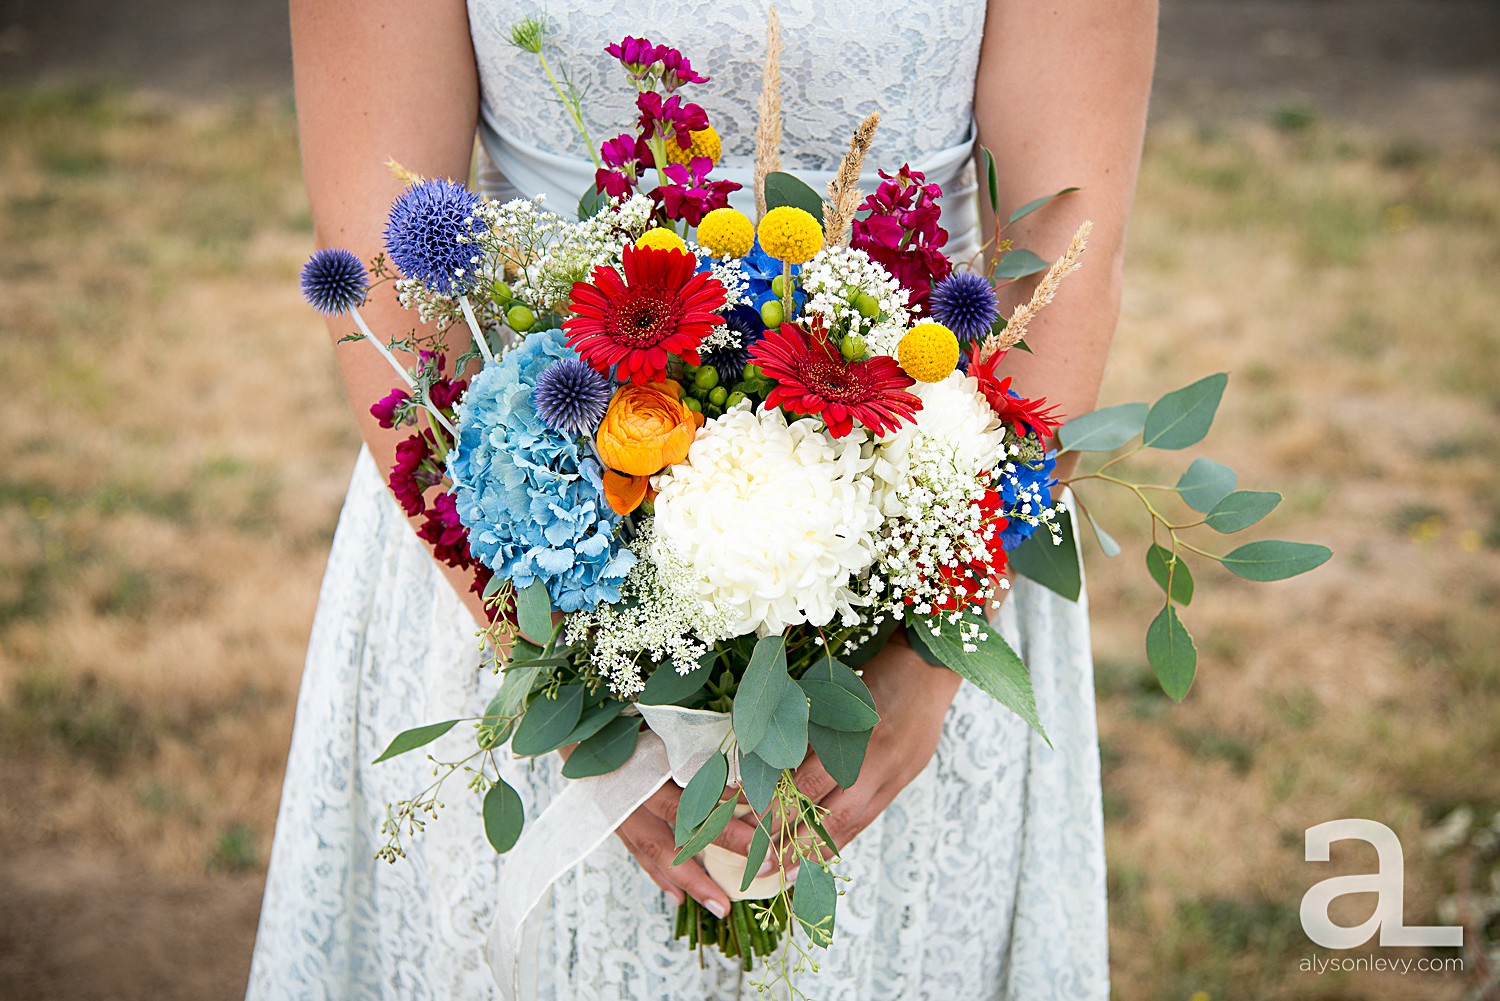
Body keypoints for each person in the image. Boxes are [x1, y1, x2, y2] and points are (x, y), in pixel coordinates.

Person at [249, 1, 1155, 998]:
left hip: (925, 533)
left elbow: (1069, 251)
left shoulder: (926, 620)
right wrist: (562, 687)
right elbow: (381, 260)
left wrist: (928, 654)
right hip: (517, 547)